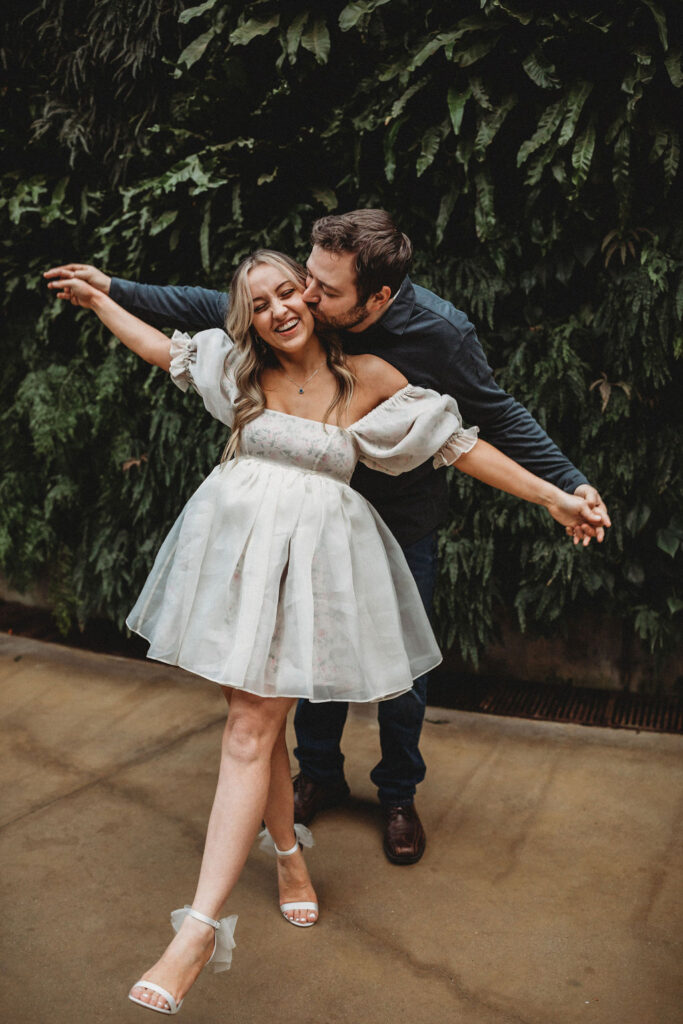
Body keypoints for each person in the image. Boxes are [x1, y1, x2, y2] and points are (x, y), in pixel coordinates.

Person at [50, 247, 602, 1015]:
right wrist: (100, 300)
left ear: (309, 297)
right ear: (246, 317)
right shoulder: (238, 368)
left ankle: (198, 930)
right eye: (260, 303)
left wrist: (554, 495)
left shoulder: (368, 377)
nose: (278, 309)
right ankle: (287, 860)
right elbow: (159, 349)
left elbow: (461, 444)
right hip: (235, 562)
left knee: (249, 726)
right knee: (256, 722)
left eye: (288, 292)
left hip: (314, 571)